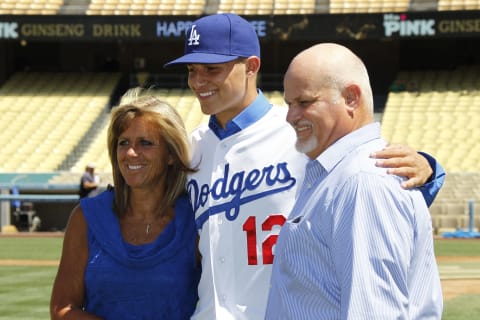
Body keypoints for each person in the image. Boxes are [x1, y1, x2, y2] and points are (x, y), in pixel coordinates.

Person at [164, 13, 444, 319]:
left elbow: (366, 187)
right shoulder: (188, 149)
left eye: (211, 69)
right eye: (192, 70)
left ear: (251, 67)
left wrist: (427, 170)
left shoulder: (301, 133)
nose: (198, 80)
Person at [265, 43, 443, 319]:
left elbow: (374, 312)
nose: (291, 116)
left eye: (304, 102)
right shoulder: (338, 173)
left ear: (351, 98)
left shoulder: (362, 182)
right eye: (289, 104)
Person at [50, 92, 201, 319]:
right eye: (123, 143)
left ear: (171, 154)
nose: (131, 153)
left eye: (145, 143)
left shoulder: (196, 220)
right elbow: (62, 309)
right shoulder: (86, 218)